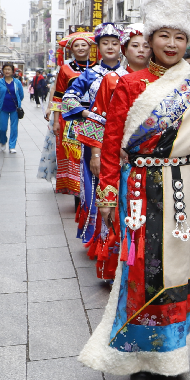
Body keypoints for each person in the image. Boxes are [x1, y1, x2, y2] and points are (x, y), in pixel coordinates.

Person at [78, 0, 190, 380]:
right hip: (137, 190)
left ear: (189, 42)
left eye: (180, 38)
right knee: (141, 271)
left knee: (179, 270)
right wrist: (108, 191)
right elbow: (113, 143)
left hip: (183, 190)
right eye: (164, 36)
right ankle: (138, 358)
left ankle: (171, 356)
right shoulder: (127, 85)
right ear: (150, 38)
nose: (171, 45)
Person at [76, 26, 151, 280]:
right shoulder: (111, 80)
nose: (141, 50)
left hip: (151, 163)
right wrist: (96, 154)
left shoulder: (162, 81)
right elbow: (99, 122)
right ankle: (116, 268)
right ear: (125, 49)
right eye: (134, 46)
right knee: (118, 214)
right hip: (118, 159)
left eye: (145, 46)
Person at [63, 24, 126, 243]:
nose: (110, 47)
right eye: (105, 43)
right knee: (95, 187)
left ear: (121, 46)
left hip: (122, 139)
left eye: (115, 43)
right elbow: (67, 99)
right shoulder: (88, 74)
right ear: (97, 47)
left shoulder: (129, 75)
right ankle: (97, 239)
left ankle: (118, 237)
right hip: (95, 138)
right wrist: (88, 113)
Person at [42, 32, 94, 197]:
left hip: (93, 117)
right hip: (70, 118)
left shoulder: (98, 68)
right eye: (76, 45)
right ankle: (77, 193)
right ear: (71, 50)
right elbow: (58, 96)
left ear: (90, 47)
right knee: (73, 155)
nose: (80, 48)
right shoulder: (65, 69)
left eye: (83, 45)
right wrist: (56, 121)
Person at [0, 62, 25, 154]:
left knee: (14, 128)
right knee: (2, 128)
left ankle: (12, 146)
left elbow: (21, 95)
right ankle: (3, 141)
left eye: (9, 69)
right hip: (3, 108)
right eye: (5, 69)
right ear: (3, 71)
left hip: (14, 108)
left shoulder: (17, 82)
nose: (7, 71)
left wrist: (18, 103)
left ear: (12, 71)